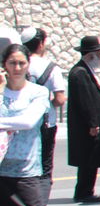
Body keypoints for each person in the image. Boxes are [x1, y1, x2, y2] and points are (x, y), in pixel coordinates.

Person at [0, 43, 75, 206]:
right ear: (5, 66)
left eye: (21, 63)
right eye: (12, 63)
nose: (17, 67)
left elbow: (27, 121)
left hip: (27, 168)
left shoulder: (38, 92)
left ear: (28, 65)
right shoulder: (0, 91)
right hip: (2, 168)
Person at [19, 27, 64, 188]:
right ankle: (40, 201)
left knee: (22, 164)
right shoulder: (50, 67)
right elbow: (60, 98)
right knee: (44, 165)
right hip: (45, 122)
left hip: (19, 120)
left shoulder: (17, 64)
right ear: (40, 44)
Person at [67, 35, 100, 204]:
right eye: (99, 54)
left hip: (92, 123)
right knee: (88, 159)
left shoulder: (85, 71)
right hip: (87, 126)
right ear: (92, 55)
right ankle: (84, 191)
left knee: (91, 158)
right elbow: (84, 101)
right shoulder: (79, 73)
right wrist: (92, 123)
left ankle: (86, 190)